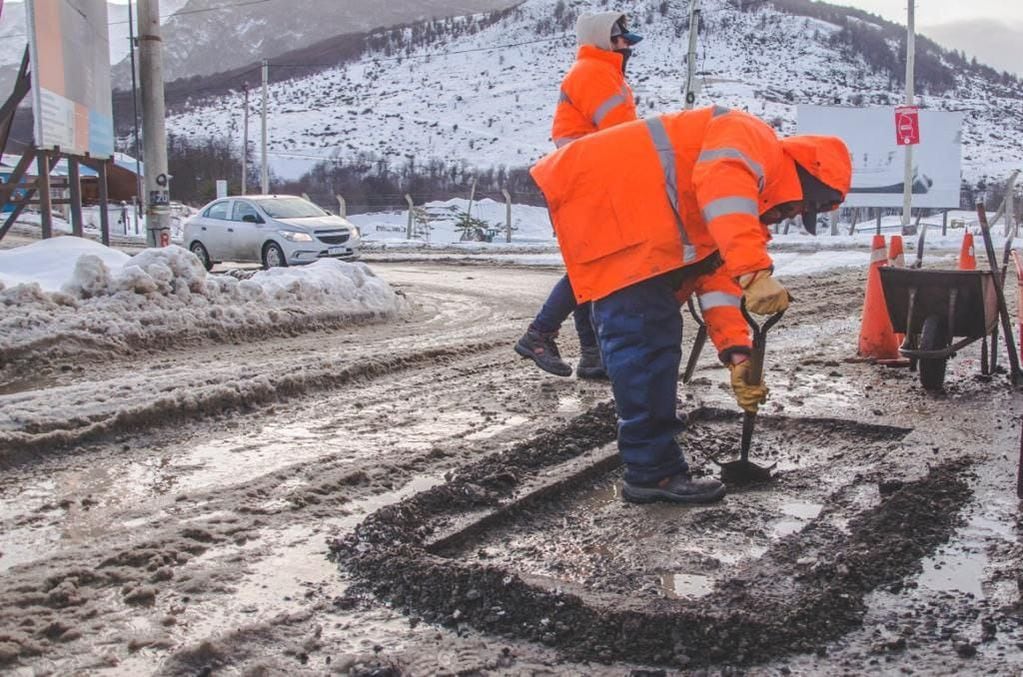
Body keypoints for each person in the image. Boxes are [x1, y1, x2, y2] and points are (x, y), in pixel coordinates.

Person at [530, 105, 851, 504]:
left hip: (619, 212)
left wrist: (737, 356)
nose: (791, 215)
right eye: (802, 206)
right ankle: (653, 473)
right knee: (646, 341)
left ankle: (652, 457)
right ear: (804, 178)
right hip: (612, 202)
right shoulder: (753, 140)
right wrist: (754, 270)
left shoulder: (740, 207)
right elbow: (723, 187)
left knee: (648, 337)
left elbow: (717, 282)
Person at [515, 11, 642, 380]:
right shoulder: (594, 74)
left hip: (586, 181)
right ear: (604, 39)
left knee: (593, 268)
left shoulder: (602, 73)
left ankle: (591, 355)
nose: (628, 46)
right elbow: (622, 134)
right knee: (590, 267)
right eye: (622, 39)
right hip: (585, 183)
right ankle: (539, 335)